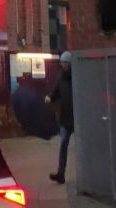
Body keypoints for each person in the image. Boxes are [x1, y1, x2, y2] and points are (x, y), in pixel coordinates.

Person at [49, 51, 74, 185]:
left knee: (82, 146)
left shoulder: (76, 77)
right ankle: (60, 174)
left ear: (70, 64)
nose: (63, 65)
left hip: (77, 117)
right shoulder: (61, 78)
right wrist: (50, 97)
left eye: (65, 63)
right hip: (65, 117)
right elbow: (56, 91)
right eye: (62, 63)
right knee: (63, 144)